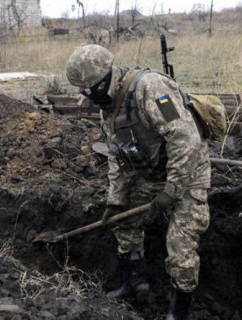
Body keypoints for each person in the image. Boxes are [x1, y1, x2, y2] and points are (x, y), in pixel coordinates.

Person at [66, 44, 210, 320]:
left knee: (180, 248)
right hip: (154, 173)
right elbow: (116, 157)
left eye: (83, 89)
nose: (81, 95)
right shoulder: (108, 108)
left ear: (98, 84)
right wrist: (115, 200)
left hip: (189, 174)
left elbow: (185, 139)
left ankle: (178, 312)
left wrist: (172, 190)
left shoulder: (151, 89)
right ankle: (135, 283)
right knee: (124, 221)